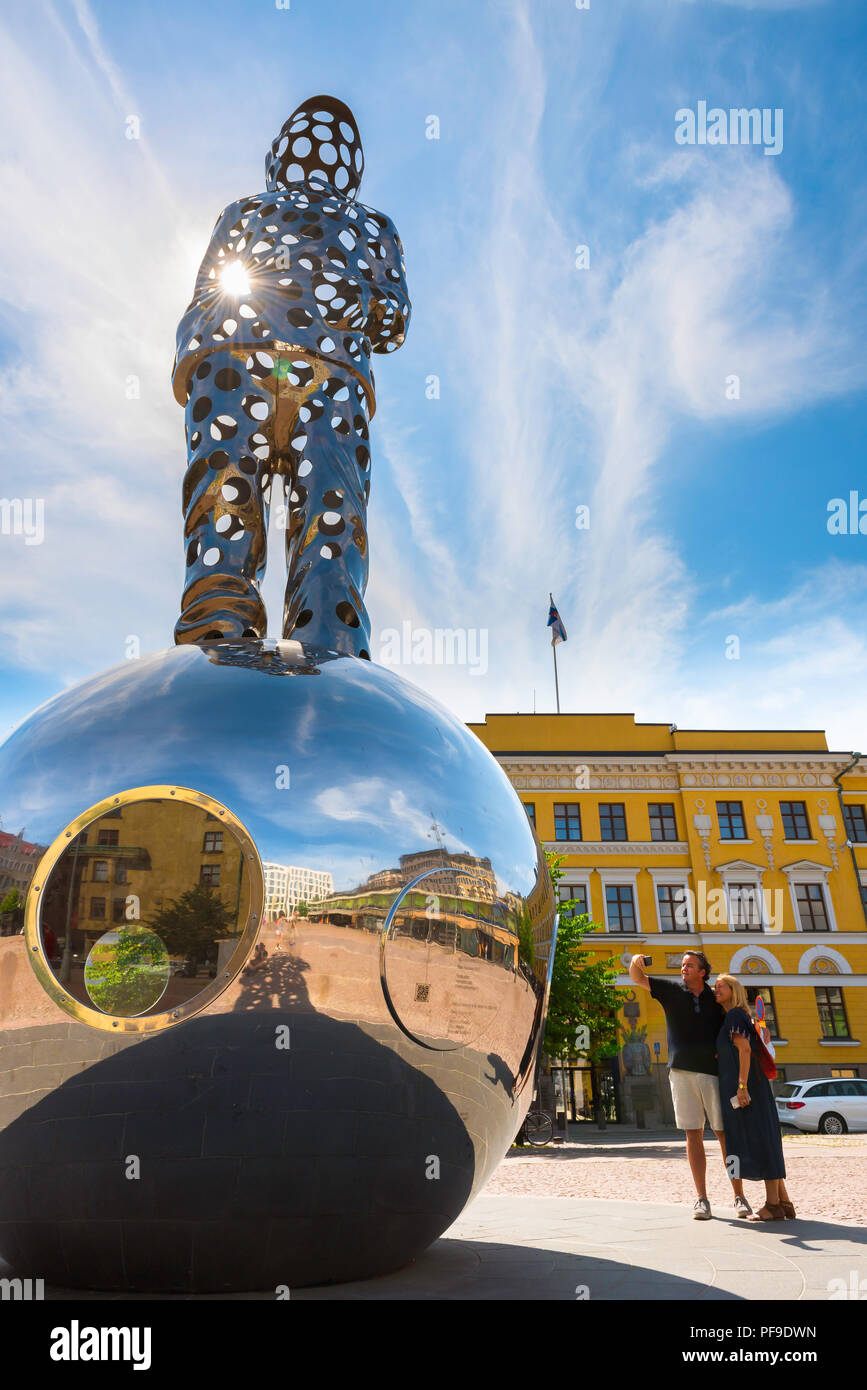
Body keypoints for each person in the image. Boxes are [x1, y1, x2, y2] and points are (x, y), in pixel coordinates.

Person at [172, 94, 411, 654]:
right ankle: (330, 644)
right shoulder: (371, 225)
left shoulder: (243, 210)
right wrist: (341, 295)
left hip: (228, 354)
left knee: (224, 500)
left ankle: (216, 632)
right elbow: (394, 321)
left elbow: (207, 289)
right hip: (329, 367)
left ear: (277, 156)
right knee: (331, 514)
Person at [630, 951, 750, 1220]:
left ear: (702, 972)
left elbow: (736, 1019)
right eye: (683, 965)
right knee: (693, 1134)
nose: (684, 969)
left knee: (724, 1134)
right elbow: (637, 978)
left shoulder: (716, 997)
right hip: (681, 1072)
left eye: (689, 965)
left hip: (714, 1074)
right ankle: (701, 1199)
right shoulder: (672, 990)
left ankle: (739, 1195)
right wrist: (635, 959)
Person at [714, 973, 795, 1221]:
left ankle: (772, 1206)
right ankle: (783, 1202)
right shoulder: (737, 1016)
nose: (715, 990)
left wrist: (741, 1085)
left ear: (733, 990)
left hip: (748, 1090)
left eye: (720, 987)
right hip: (753, 1087)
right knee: (766, 1137)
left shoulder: (735, 1015)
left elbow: (745, 1049)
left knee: (761, 1140)